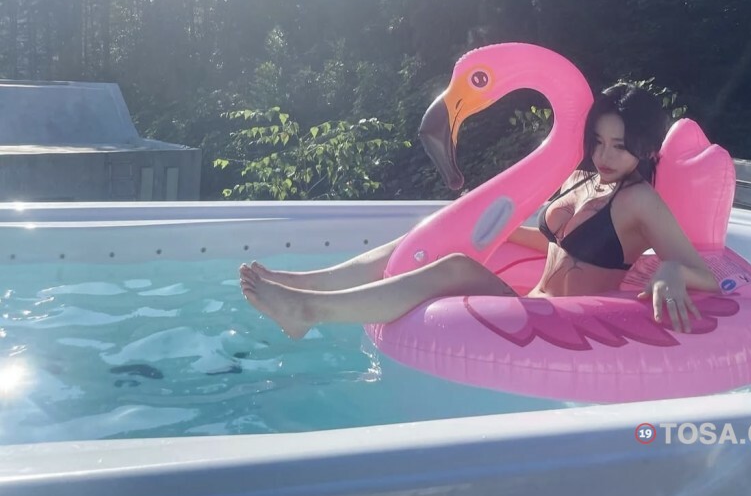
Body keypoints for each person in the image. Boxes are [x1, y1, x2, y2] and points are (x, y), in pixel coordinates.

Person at [239, 83, 721, 340]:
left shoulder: (639, 200)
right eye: (598, 141)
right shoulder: (583, 177)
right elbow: (558, 245)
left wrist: (670, 271)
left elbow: (704, 274)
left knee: (455, 266)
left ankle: (309, 311)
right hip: (531, 298)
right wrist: (494, 231)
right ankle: (310, 283)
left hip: (561, 321)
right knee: (439, 236)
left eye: (619, 145)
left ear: (645, 147)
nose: (604, 155)